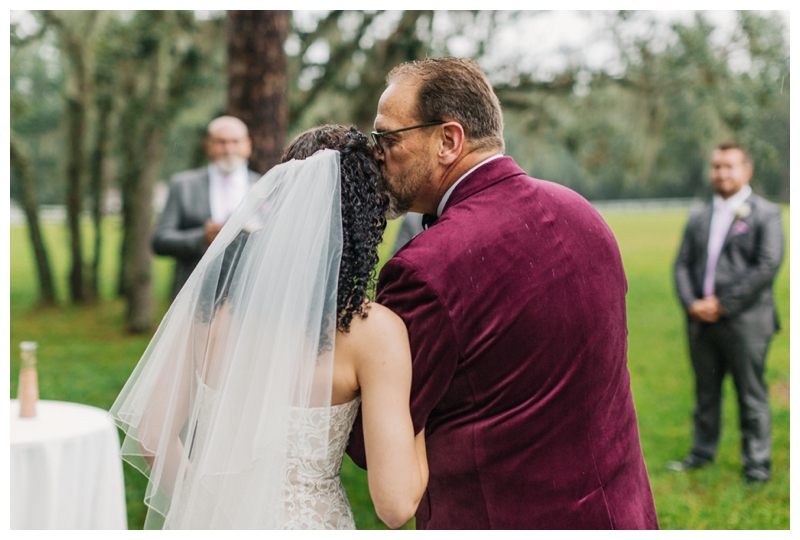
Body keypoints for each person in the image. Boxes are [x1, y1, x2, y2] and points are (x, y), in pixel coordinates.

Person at [346, 57, 658, 530]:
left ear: (448, 140)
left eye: (389, 138)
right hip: (619, 513)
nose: (378, 154)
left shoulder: (426, 268)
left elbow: (379, 440)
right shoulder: (583, 214)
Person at [110, 125, 427, 529]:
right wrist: (426, 414)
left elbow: (152, 436)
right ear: (365, 218)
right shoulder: (373, 332)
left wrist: (204, 507)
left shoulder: (210, 308)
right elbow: (396, 505)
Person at [669, 142, 784, 483]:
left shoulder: (766, 213)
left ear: (747, 171)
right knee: (705, 394)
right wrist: (692, 304)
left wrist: (722, 304)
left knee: (751, 395)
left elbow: (767, 265)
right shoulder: (700, 215)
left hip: (746, 323)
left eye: (729, 166)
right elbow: (682, 264)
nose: (721, 173)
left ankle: (757, 464)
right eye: (717, 166)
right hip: (700, 324)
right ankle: (701, 453)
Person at [153, 116, 262, 299]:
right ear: (207, 145)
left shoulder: (265, 186)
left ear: (248, 145)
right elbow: (161, 240)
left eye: (235, 141)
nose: (228, 149)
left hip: (251, 296)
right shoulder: (184, 185)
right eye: (221, 142)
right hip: (195, 296)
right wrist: (202, 237)